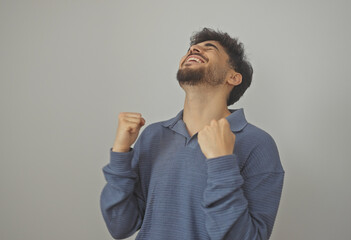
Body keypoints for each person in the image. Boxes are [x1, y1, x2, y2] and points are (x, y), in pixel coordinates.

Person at [100, 28, 285, 240]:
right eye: (191, 49)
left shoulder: (258, 144)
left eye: (210, 48)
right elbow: (120, 227)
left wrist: (222, 162)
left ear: (233, 77)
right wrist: (121, 154)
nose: (194, 49)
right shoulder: (153, 136)